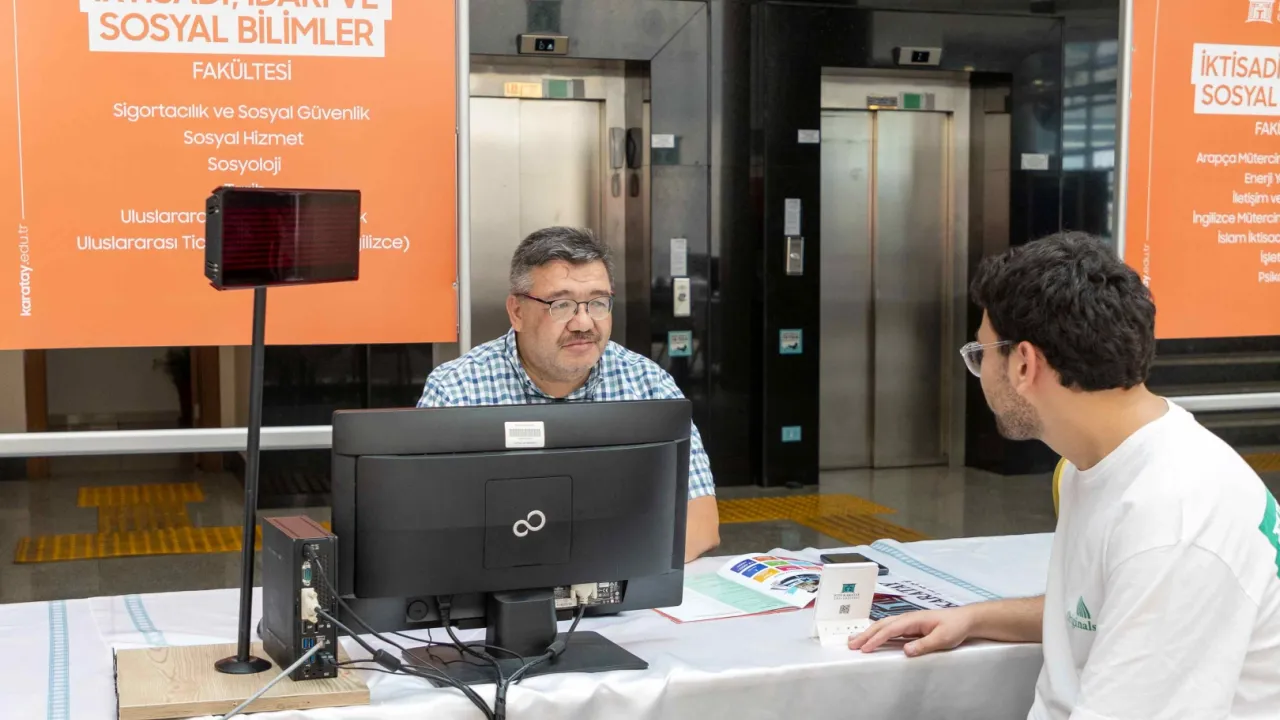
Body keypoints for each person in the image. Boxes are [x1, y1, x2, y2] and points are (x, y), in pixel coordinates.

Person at [848, 232, 1280, 718]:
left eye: (982, 353)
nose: (980, 373)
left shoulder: (1176, 518)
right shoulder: (1098, 461)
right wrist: (973, 618)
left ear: (1024, 364)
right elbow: (1102, 610)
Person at [418, 226, 720, 562]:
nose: (583, 323)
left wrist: (592, 573)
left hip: (617, 582)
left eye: (598, 303)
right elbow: (424, 527)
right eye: (561, 305)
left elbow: (701, 524)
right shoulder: (457, 390)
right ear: (517, 312)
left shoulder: (647, 384)